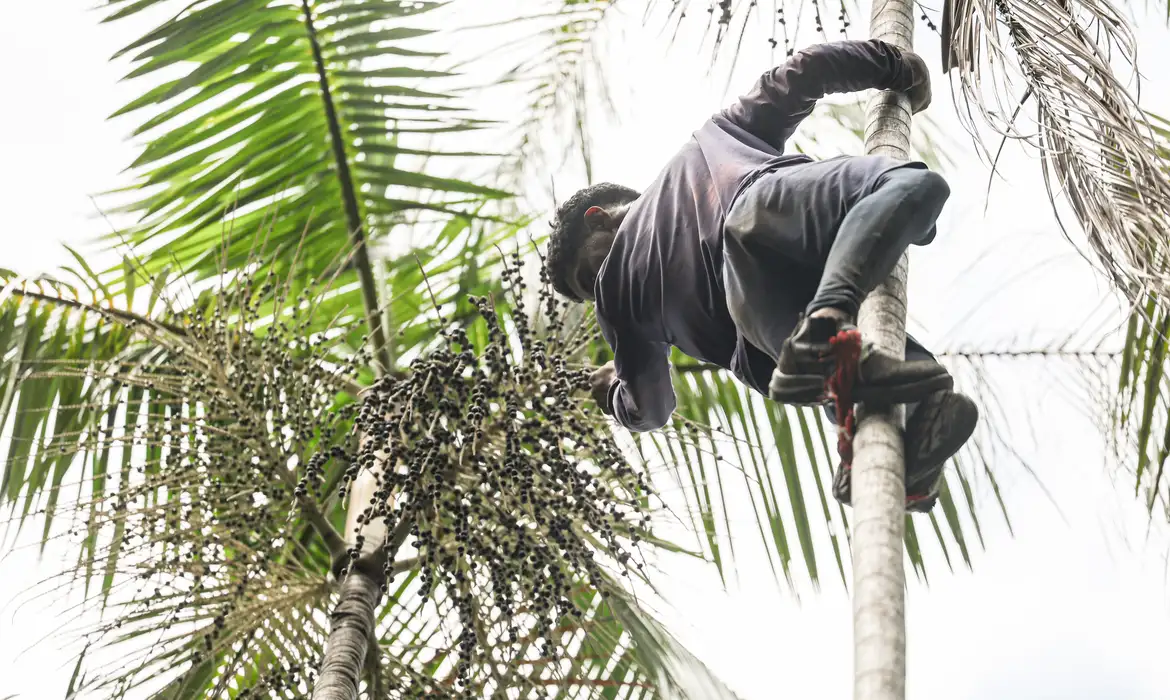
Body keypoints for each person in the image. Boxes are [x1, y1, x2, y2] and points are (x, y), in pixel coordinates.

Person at [544, 39, 978, 511]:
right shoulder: (713, 142)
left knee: (920, 370)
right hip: (773, 284)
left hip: (766, 286)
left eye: (588, 276)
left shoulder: (617, 285)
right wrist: (894, 67)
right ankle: (843, 355)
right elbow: (804, 74)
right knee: (915, 186)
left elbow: (651, 407)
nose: (597, 291)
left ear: (598, 218)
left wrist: (613, 392)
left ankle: (838, 356)